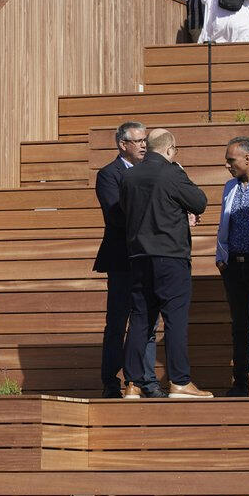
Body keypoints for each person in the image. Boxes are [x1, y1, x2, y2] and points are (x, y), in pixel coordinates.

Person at [121, 129, 211, 399]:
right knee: (175, 319)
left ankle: (132, 384)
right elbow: (199, 202)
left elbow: (129, 210)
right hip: (170, 257)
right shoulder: (172, 172)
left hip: (138, 257)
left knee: (140, 319)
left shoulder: (129, 176)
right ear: (170, 149)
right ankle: (180, 382)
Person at [94, 120, 156, 399]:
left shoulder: (153, 172)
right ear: (123, 144)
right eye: (139, 140)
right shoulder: (109, 174)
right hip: (122, 259)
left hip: (148, 256)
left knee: (148, 322)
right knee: (118, 321)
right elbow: (116, 214)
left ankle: (144, 380)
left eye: (146, 140)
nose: (144, 145)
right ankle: (111, 381)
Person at [214, 138, 249, 397]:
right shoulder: (230, 186)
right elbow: (224, 223)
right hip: (234, 264)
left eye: (231, 160)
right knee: (240, 325)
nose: (227, 165)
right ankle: (241, 382)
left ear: (248, 158)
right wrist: (221, 257)